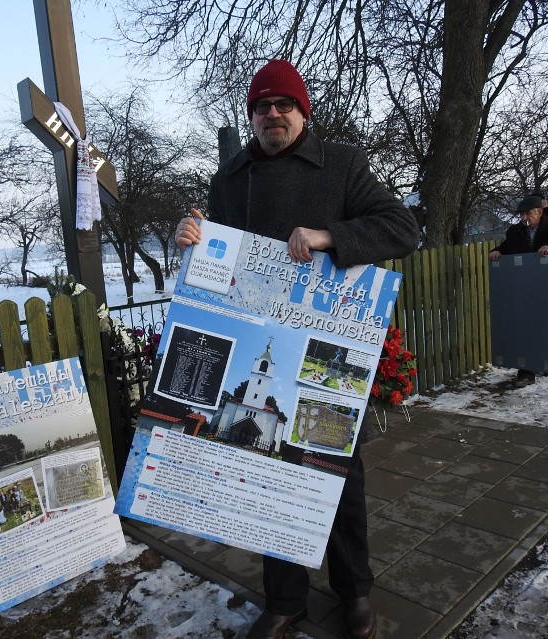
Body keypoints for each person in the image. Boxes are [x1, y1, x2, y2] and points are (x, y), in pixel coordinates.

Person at [175, 60, 419, 639]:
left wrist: (331, 236)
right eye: (262, 107)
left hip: (326, 349)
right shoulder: (231, 176)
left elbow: (402, 229)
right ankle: (284, 599)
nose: (273, 115)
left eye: (284, 105)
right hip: (260, 338)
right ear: (252, 117)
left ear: (302, 112)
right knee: (265, 474)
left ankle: (354, 590)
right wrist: (191, 239)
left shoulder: (342, 164)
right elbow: (219, 261)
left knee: (335, 470)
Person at [489, 194, 548, 388]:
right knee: (526, 328)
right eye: (522, 214)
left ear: (539, 212)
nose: (524, 218)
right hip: (527, 289)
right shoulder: (515, 232)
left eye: (528, 213)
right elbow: (507, 248)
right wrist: (498, 251)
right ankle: (526, 369)